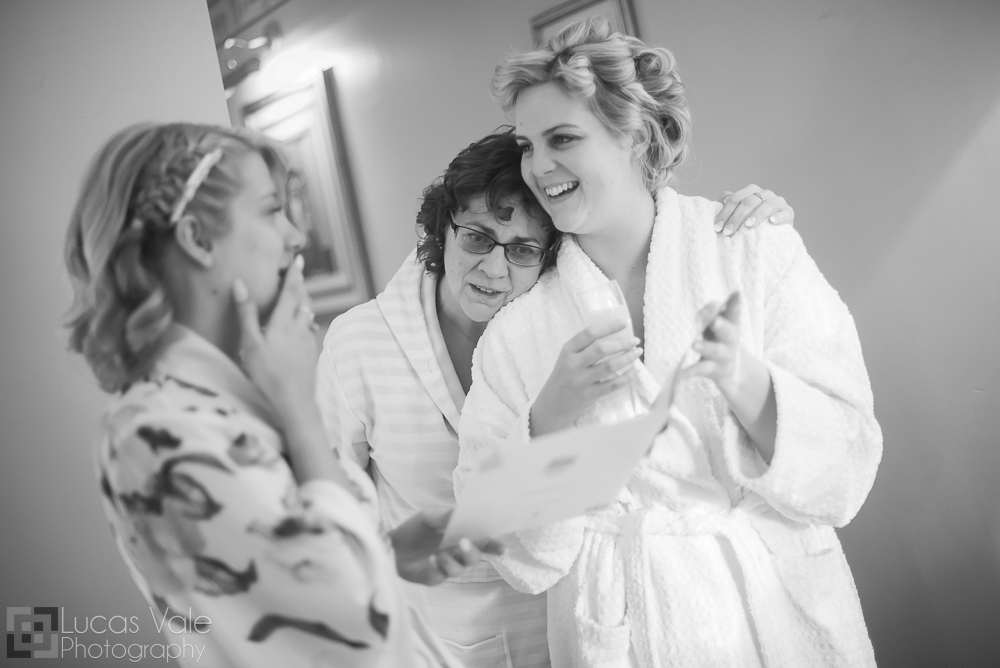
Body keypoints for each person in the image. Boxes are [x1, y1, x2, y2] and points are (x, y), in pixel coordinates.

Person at [456, 19, 882, 668]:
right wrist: (548, 420)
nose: (538, 167)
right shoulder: (519, 332)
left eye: (562, 138)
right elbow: (492, 536)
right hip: (625, 631)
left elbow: (848, 464)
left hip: (773, 617)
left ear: (636, 134)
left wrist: (748, 383)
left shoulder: (753, 249)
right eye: (526, 145)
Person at [316, 128, 796, 667]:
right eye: (476, 237)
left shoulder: (559, 335)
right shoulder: (360, 342)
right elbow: (330, 514)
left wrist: (745, 222)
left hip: (568, 629)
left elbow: (644, 229)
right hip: (428, 640)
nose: (493, 269)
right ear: (441, 227)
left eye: (522, 250)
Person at [64, 122, 500, 668]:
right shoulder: (155, 433)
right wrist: (299, 410)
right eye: (272, 210)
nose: (295, 237)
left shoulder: (225, 398)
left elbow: (281, 586)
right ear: (198, 238)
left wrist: (388, 554)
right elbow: (348, 632)